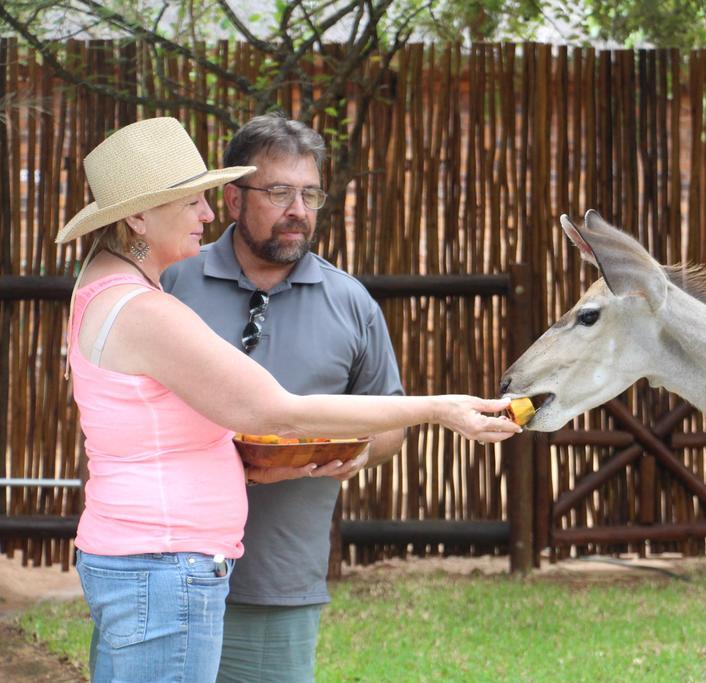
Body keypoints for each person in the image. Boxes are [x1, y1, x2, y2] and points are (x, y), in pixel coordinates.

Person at [60, 116, 519, 683]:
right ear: (139, 215)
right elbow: (274, 409)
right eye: (193, 202)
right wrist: (439, 408)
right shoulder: (154, 300)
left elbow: (163, 425)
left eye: (309, 193)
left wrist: (300, 460)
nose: (203, 215)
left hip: (192, 568)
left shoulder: (104, 286)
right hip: (166, 566)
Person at [161, 113, 402, 682]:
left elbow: (388, 419)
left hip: (277, 580)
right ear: (233, 200)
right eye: (277, 191)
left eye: (310, 193)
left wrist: (361, 453)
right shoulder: (172, 283)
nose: (298, 209)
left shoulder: (352, 303)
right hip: (162, 568)